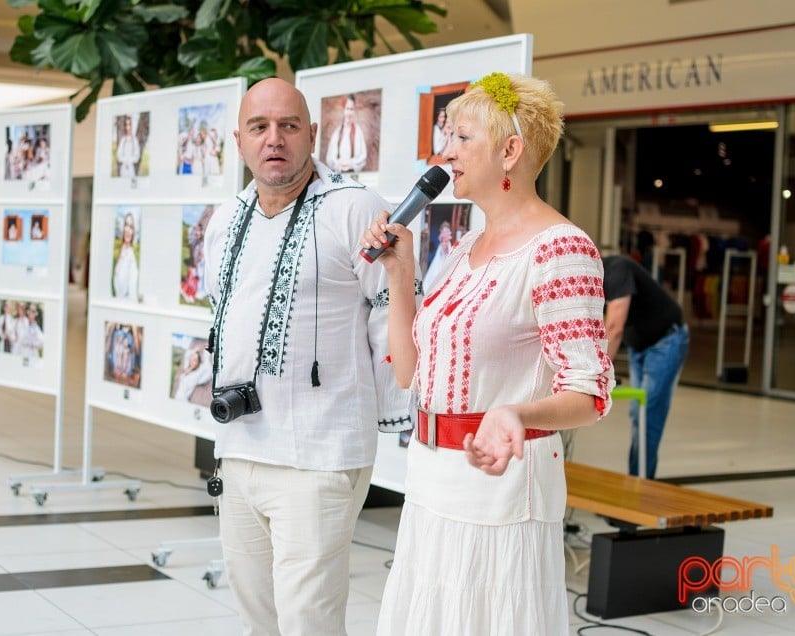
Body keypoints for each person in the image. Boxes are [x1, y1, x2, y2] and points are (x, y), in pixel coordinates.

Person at [360, 72, 614, 635]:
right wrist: (401, 272)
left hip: (500, 493)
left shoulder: (561, 250)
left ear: (511, 151)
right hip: (430, 479)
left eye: (461, 138)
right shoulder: (462, 247)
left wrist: (515, 415)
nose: (445, 153)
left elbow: (590, 393)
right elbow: (409, 372)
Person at [202, 78, 410, 636]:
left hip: (318, 454)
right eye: (259, 127)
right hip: (240, 446)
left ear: (312, 134)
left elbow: (390, 315)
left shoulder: (356, 208)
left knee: (307, 621)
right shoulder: (225, 220)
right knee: (257, 616)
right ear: (239, 141)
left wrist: (399, 414)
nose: (275, 139)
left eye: (289, 125)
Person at [602, 254, 689, 479]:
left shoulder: (617, 270)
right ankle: (637, 482)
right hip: (639, 344)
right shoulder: (596, 280)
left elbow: (614, 327)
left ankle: (640, 490)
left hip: (666, 342)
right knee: (637, 414)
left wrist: (599, 373)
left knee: (648, 416)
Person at [324, 93, 368, 173]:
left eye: (351, 109)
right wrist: (339, 164)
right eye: (347, 109)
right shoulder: (337, 133)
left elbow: (363, 156)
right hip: (339, 175)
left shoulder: (358, 131)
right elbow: (330, 158)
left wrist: (351, 163)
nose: (349, 113)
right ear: (343, 110)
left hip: (353, 175)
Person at [112, 212, 139, 299]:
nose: (128, 229)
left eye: (131, 227)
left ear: (134, 231)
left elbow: (132, 289)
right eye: (126, 225)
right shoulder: (118, 251)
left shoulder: (133, 255)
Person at [422, 219, 452, 292]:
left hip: (443, 252)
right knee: (438, 269)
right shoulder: (445, 238)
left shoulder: (445, 238)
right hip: (442, 251)